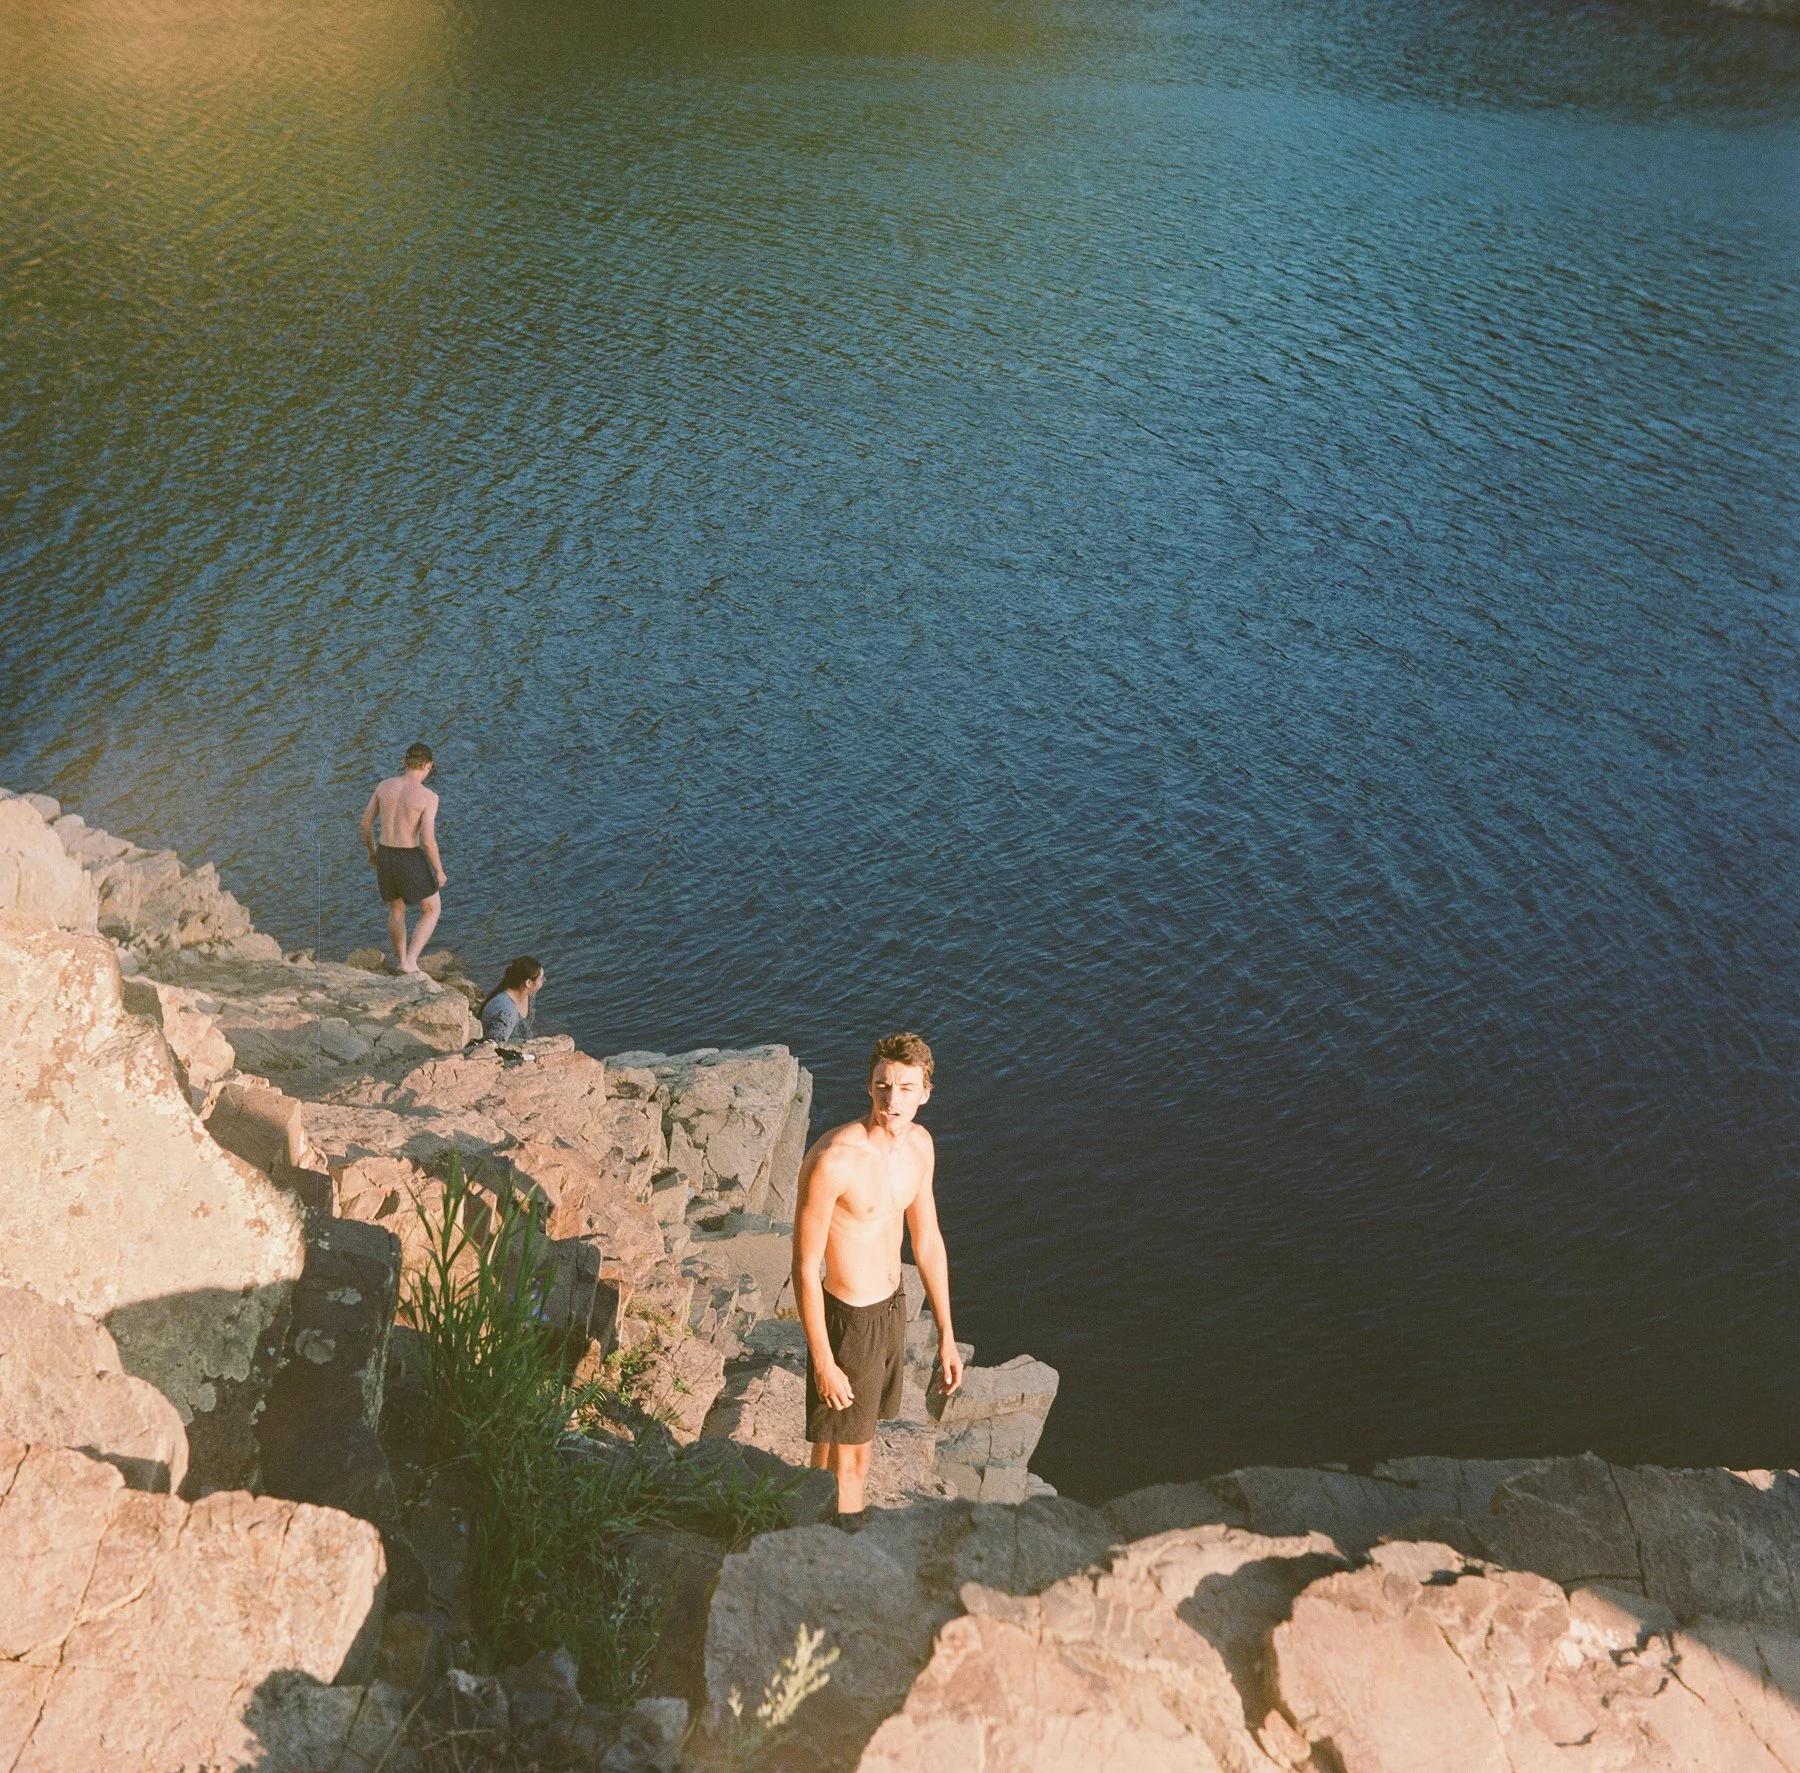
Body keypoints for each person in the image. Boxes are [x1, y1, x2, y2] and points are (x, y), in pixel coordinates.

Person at [792, 1031, 962, 1528]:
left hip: (892, 1309)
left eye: (906, 1088)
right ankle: (845, 1557)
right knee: (854, 1460)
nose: (893, 1100)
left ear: (926, 1093)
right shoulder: (834, 1160)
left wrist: (947, 1336)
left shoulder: (920, 1148)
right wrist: (824, 1360)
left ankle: (808, 1538)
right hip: (850, 1320)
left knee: (832, 1447)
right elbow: (804, 1267)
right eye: (883, 1086)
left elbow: (927, 1241)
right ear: (869, 1087)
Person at [359, 744, 446, 975]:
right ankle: (411, 961)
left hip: (385, 853)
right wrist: (439, 870)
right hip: (408, 855)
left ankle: (401, 961)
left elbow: (365, 823)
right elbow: (427, 840)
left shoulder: (384, 786)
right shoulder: (429, 796)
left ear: (404, 762)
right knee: (432, 908)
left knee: (396, 909)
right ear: (428, 765)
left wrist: (372, 851)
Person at [479, 956, 545, 1045]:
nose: (544, 981)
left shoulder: (529, 995)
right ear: (528, 983)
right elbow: (492, 1046)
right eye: (541, 979)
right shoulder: (508, 1012)